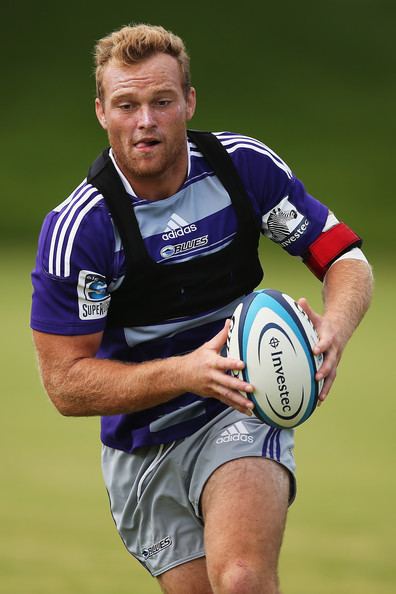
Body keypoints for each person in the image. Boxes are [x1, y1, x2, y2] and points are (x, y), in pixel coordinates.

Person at [31, 23, 373, 594]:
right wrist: (188, 372)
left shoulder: (243, 167)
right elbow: (65, 384)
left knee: (240, 581)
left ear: (188, 101)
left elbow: (345, 259)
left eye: (162, 101)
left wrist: (334, 329)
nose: (146, 121)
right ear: (101, 112)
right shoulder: (81, 228)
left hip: (242, 405)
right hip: (142, 445)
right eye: (127, 104)